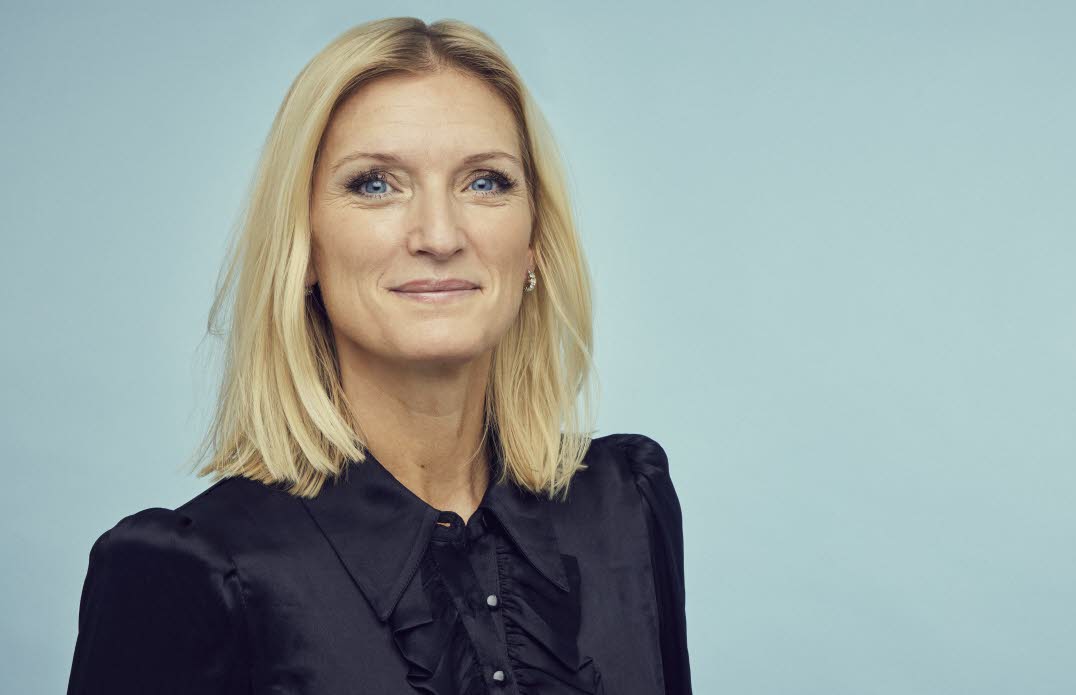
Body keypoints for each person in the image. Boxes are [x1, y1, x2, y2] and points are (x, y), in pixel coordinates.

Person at [65, 16, 691, 695]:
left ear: (534, 239)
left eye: (485, 182)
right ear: (303, 246)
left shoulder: (627, 506)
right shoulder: (188, 570)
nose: (439, 235)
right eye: (374, 184)